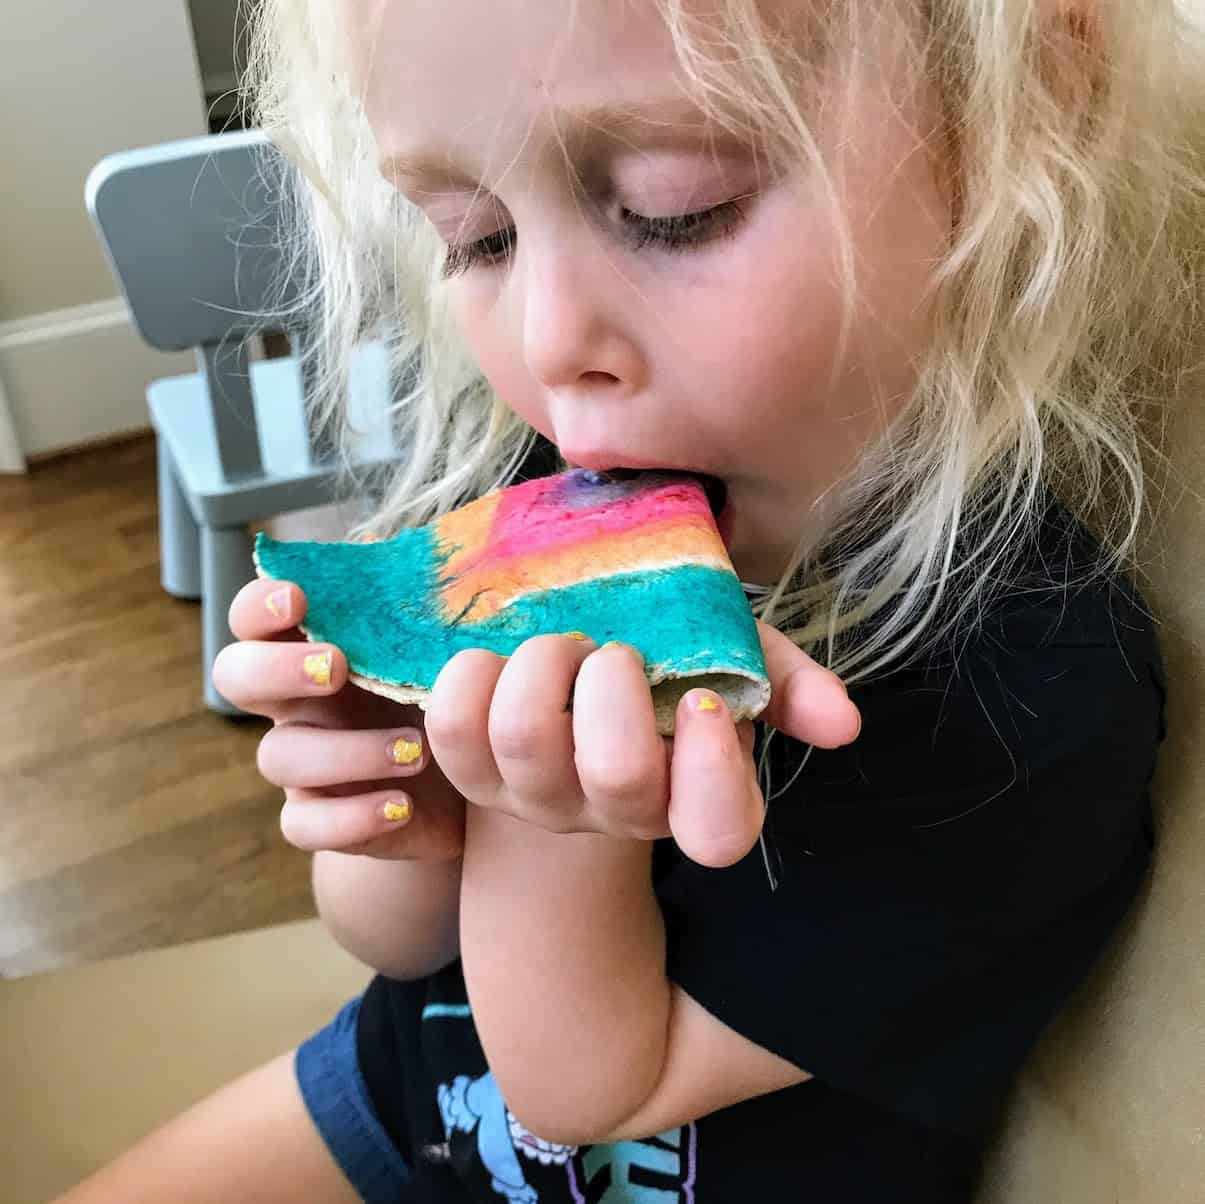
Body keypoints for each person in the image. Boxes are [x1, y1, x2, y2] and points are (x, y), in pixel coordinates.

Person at [58, 0, 1201, 1200]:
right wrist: (395, 798)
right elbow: (392, 941)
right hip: (405, 1098)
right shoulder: (559, 486)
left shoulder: (1030, 692)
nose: (551, 349)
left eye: (675, 207)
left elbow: (585, 1088)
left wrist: (547, 816)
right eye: (476, 237)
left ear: (1005, 125)